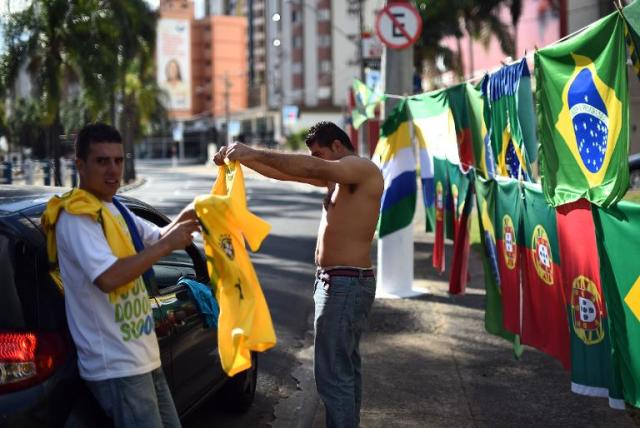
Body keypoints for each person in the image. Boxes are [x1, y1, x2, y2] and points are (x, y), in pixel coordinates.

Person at [213, 121, 383, 428]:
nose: (316, 161)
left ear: (337, 146)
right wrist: (244, 159)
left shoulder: (360, 168)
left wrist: (252, 150)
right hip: (337, 283)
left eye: (320, 154)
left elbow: (305, 166)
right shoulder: (336, 177)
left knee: (333, 375)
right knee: (343, 368)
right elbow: (287, 171)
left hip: (345, 284)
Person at [45, 123, 199, 427]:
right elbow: (109, 277)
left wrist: (199, 209)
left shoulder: (115, 207)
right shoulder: (77, 216)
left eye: (118, 160)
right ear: (80, 165)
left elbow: (156, 236)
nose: (113, 170)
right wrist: (169, 244)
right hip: (116, 366)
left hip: (142, 355)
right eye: (102, 161)